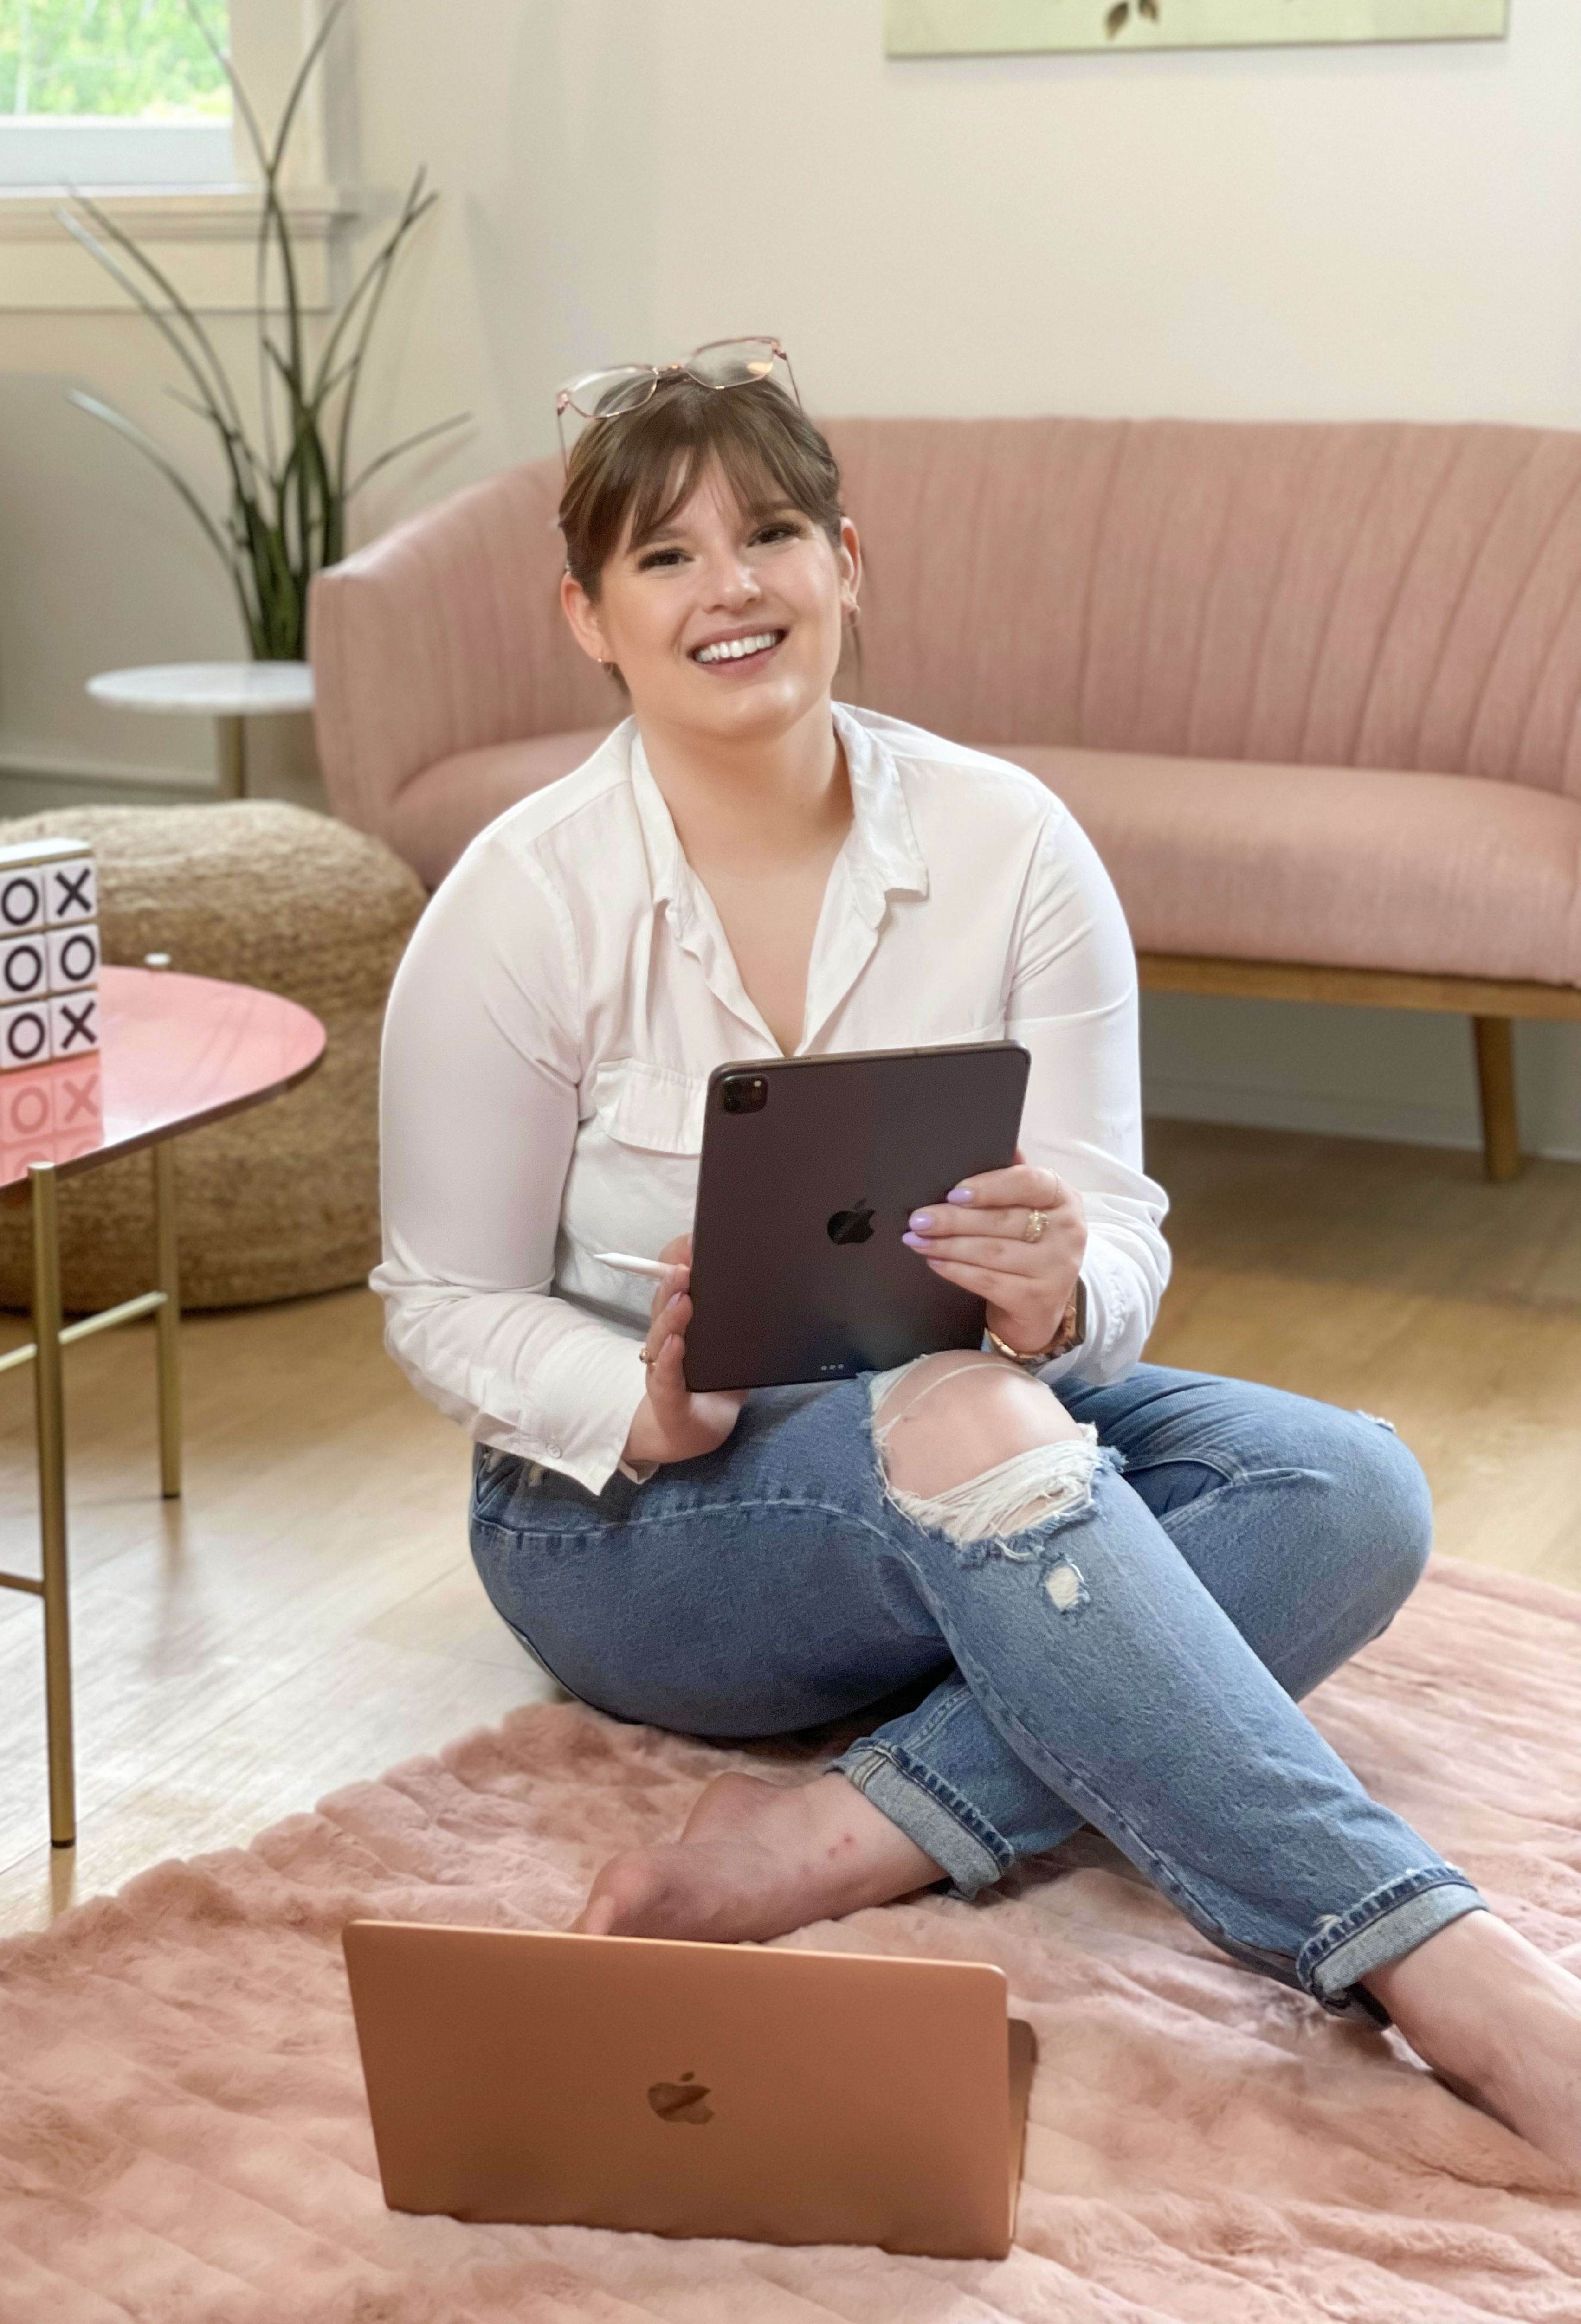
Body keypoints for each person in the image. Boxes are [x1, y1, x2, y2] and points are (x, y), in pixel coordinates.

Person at [375, 341, 1581, 2176]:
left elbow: (1121, 1225)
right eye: (669, 558)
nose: (736, 589)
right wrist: (646, 1397)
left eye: (775, 534)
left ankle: (860, 1826)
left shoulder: (1010, 840)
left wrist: (1060, 1286)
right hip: (627, 1519)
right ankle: (1443, 1960)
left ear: (850, 563)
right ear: (588, 616)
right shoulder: (521, 902)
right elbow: (441, 1300)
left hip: (970, 1419)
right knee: (956, 1406)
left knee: (1346, 1485)